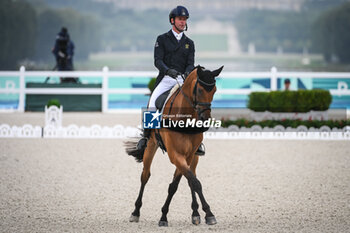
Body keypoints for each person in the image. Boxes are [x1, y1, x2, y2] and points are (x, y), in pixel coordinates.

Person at [136, 5, 205, 156]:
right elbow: (157, 60)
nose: (183, 22)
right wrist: (167, 70)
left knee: (196, 103)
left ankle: (198, 141)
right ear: (172, 20)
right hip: (166, 78)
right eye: (180, 19)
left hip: (182, 79)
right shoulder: (162, 39)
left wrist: (187, 73)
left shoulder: (189, 43)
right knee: (153, 102)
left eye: (185, 19)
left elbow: (190, 63)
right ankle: (146, 137)